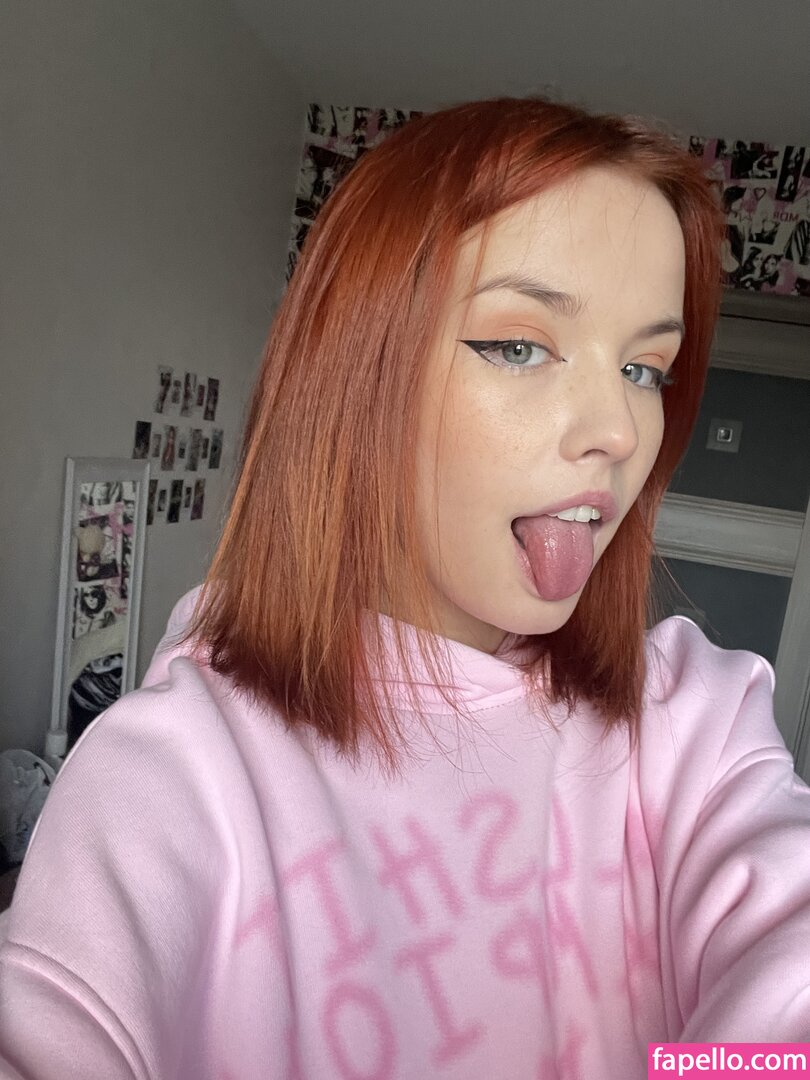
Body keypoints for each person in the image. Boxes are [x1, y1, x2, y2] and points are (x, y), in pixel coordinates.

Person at [2, 97, 810, 1079]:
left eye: (646, 368)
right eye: (519, 345)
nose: (619, 430)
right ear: (355, 373)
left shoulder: (690, 717)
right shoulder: (176, 776)